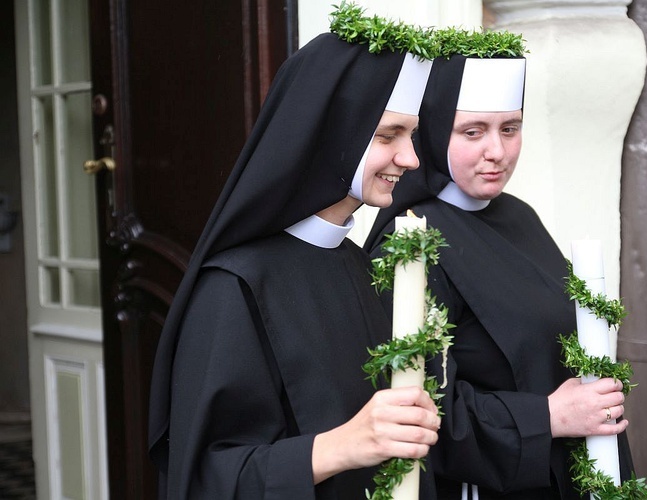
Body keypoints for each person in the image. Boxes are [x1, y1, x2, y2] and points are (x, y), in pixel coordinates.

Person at [147, 6, 444, 498]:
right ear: (333, 133)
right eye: (388, 135)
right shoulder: (234, 287)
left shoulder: (358, 265)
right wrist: (344, 446)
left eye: (411, 135)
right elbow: (206, 478)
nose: (411, 158)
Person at [365, 41, 636, 499]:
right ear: (432, 133)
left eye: (510, 128)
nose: (497, 151)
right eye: (472, 132)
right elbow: (420, 409)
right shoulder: (410, 242)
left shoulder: (519, 216)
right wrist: (548, 416)